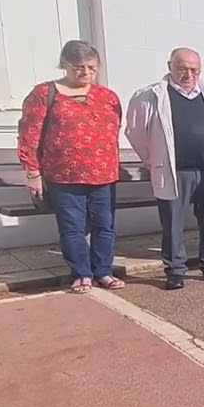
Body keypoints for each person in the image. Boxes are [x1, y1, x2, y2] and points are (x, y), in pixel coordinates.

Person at [17, 40, 124, 294]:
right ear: (65, 65)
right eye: (79, 67)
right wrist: (33, 172)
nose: (86, 73)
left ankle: (104, 271)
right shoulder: (44, 93)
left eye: (92, 68)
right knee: (72, 226)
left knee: (104, 226)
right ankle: (81, 273)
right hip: (64, 175)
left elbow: (115, 129)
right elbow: (29, 134)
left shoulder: (107, 96)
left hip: (103, 174)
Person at [124, 48, 204, 290]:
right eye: (182, 68)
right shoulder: (150, 96)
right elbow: (135, 132)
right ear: (169, 66)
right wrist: (154, 158)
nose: (189, 74)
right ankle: (175, 270)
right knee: (173, 222)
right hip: (175, 171)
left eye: (194, 70)